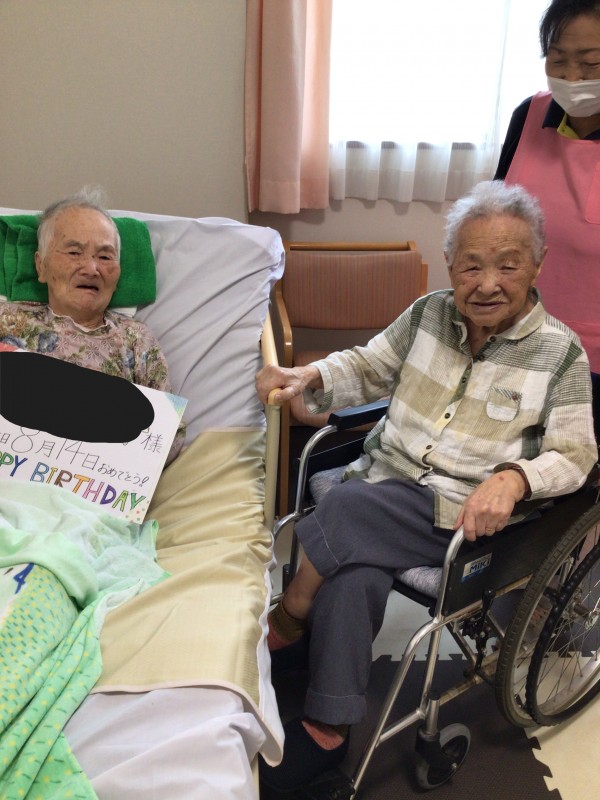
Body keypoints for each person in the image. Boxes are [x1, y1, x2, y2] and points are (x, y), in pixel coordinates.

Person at [255, 180, 597, 792]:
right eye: (471, 265)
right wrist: (308, 375)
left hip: (463, 517)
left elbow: (576, 454)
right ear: (450, 264)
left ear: (538, 264)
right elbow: (368, 365)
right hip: (385, 484)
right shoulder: (429, 313)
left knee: (349, 505)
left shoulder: (560, 355)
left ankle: (290, 617)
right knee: (356, 568)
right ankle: (330, 727)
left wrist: (517, 478)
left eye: (507, 265)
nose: (486, 283)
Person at [0, 187, 184, 460]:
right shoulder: (6, 321)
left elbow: (169, 432)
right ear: (41, 266)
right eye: (74, 252)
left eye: (105, 257)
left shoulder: (135, 340)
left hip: (100, 479)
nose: (91, 269)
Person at [495, 0, 600, 398]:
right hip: (518, 339)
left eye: (591, 63)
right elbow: (494, 219)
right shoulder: (529, 116)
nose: (572, 77)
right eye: (557, 60)